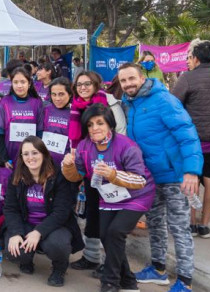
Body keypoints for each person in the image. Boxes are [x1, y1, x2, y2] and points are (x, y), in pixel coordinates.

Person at [119, 62, 203, 292]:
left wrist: (191, 171)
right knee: (155, 224)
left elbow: (188, 135)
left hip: (175, 175)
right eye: (123, 81)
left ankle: (185, 282)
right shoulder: (128, 104)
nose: (127, 84)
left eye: (131, 79)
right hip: (149, 177)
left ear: (142, 77)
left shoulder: (164, 100)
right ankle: (158, 270)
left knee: (179, 228)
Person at [62, 104, 155, 292]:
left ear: (110, 124)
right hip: (108, 197)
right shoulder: (84, 146)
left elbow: (139, 180)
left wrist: (113, 174)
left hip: (137, 195)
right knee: (105, 235)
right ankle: (128, 281)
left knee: (115, 232)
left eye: (99, 123)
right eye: (90, 124)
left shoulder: (126, 145)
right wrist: (68, 166)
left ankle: (110, 281)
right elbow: (77, 175)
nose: (94, 128)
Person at [4, 136, 83, 288]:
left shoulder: (58, 175)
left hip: (55, 225)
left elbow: (61, 212)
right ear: (21, 157)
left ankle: (59, 268)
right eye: (25, 154)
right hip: (28, 222)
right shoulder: (16, 176)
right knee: (14, 251)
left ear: (44, 154)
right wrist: (15, 233)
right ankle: (26, 260)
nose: (30, 157)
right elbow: (10, 208)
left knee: (57, 245)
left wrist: (38, 232)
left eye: (35, 153)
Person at [69, 70, 126, 276]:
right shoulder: (75, 106)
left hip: (111, 168)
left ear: (96, 84)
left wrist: (114, 166)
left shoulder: (109, 103)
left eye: (87, 84)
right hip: (88, 168)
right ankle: (92, 257)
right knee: (92, 213)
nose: (83, 88)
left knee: (109, 218)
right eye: (79, 84)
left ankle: (111, 263)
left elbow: (120, 132)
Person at [172, 40, 210, 239]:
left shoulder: (187, 78)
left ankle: (191, 223)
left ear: (196, 58)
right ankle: (205, 226)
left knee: (192, 180)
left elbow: (174, 106)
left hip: (192, 141)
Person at [0, 67, 44, 167]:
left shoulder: (37, 103)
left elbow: (40, 133)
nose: (19, 86)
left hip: (32, 158)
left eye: (23, 82)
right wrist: (4, 159)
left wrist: (37, 155)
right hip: (10, 158)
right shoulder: (4, 103)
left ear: (29, 84)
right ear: (11, 84)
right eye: (15, 82)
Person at [40, 78, 72, 167]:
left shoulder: (75, 113)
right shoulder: (45, 110)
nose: (57, 98)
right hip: (45, 163)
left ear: (69, 94)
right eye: (54, 94)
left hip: (65, 165)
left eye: (61, 94)